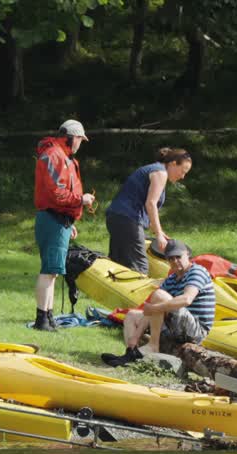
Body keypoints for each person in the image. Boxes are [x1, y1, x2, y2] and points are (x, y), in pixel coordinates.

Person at [101, 241, 214, 366]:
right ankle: (131, 354)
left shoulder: (197, 272)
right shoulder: (171, 279)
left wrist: (155, 308)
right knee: (132, 315)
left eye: (178, 257)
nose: (175, 261)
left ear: (187, 255)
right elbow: (150, 311)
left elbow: (187, 299)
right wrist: (135, 337)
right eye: (171, 258)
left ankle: (153, 346)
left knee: (158, 296)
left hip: (196, 330)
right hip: (176, 325)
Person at [32, 119, 95, 331]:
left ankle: (48, 317)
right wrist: (81, 201)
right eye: (79, 139)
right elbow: (56, 193)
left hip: (60, 220)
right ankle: (42, 319)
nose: (80, 144)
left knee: (54, 271)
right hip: (52, 218)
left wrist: (70, 221)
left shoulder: (62, 156)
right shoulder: (53, 155)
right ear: (71, 137)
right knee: (48, 271)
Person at [104, 147, 192, 274]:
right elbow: (151, 204)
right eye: (183, 171)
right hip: (127, 219)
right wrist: (158, 234)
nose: (183, 176)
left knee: (119, 263)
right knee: (140, 267)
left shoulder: (155, 169)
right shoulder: (160, 173)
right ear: (173, 164)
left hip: (117, 217)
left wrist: (159, 230)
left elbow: (145, 203)